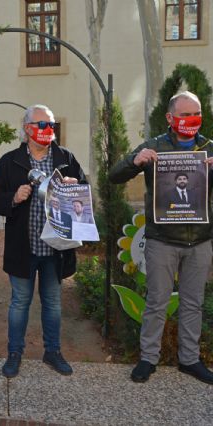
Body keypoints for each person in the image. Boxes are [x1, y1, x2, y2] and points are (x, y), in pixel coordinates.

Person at [109, 91, 213, 385]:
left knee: (193, 303)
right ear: (170, 118)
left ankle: (190, 360)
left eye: (196, 113)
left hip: (200, 241)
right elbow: (114, 175)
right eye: (184, 115)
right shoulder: (154, 146)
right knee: (156, 302)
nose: (191, 120)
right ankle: (148, 358)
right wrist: (134, 160)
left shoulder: (208, 148)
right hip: (162, 241)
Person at [0, 104, 86, 378]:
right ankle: (14, 353)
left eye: (51, 124)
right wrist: (13, 197)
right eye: (42, 125)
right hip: (24, 247)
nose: (48, 129)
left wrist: (73, 187)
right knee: (19, 302)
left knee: (53, 303)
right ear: (27, 129)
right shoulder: (10, 161)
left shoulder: (66, 158)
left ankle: (52, 352)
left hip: (56, 249)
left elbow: (84, 192)